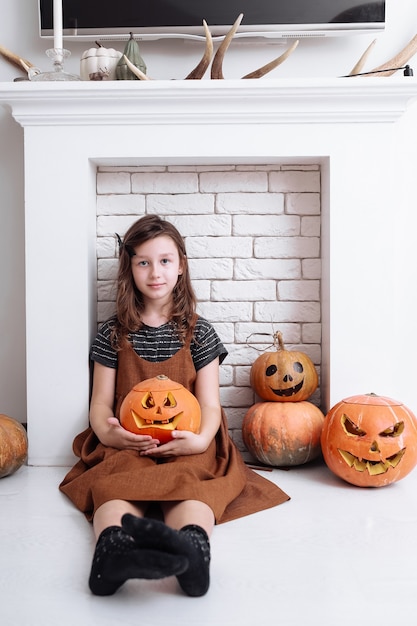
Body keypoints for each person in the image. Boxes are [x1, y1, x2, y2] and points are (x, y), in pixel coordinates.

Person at [59, 214, 289, 597]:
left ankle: (193, 548)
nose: (155, 272)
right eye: (143, 262)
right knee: (115, 478)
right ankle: (112, 549)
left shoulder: (200, 332)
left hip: (187, 439)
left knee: (193, 481)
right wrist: (108, 432)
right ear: (129, 268)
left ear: (181, 266)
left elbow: (210, 404)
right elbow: (100, 402)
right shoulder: (113, 332)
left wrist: (200, 441)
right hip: (131, 440)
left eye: (165, 261)